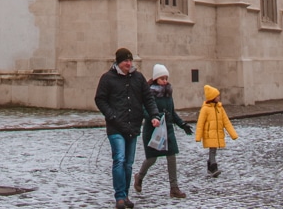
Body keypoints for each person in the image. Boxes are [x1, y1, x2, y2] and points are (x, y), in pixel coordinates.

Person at [95, 48, 161, 209]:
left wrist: (154, 115)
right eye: (126, 61)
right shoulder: (107, 78)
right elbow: (100, 99)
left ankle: (125, 195)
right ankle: (119, 197)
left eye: (130, 61)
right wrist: (111, 115)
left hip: (133, 126)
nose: (129, 63)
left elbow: (148, 98)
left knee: (129, 164)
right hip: (116, 127)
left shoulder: (138, 77)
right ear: (118, 62)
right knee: (119, 159)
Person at [133, 64, 192, 199]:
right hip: (153, 130)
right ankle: (139, 176)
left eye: (166, 78)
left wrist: (182, 124)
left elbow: (172, 112)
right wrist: (155, 117)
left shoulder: (168, 93)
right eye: (162, 78)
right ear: (156, 79)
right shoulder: (149, 93)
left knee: (171, 156)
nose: (165, 81)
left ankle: (174, 188)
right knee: (152, 159)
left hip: (168, 130)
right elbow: (145, 110)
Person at [194, 84, 238, 177]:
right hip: (209, 134)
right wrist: (198, 136)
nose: (219, 97)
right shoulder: (205, 109)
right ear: (212, 97)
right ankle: (213, 167)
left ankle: (210, 166)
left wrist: (233, 134)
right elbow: (200, 123)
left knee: (213, 150)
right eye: (217, 96)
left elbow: (226, 122)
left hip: (217, 134)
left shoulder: (220, 108)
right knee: (212, 150)